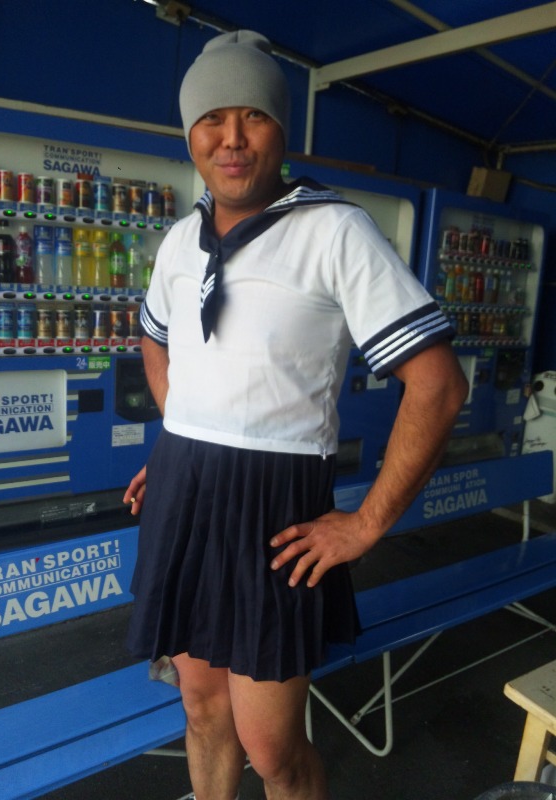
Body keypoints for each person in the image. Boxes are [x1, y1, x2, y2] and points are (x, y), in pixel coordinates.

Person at [124, 29, 468, 800]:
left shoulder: (335, 230)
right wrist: (182, 437)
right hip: (183, 494)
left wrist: (368, 523)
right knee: (201, 708)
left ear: (282, 129)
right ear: (190, 133)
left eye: (254, 116)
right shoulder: (178, 240)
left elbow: (439, 385)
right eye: (212, 118)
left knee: (273, 749)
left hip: (273, 508)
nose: (232, 138)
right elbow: (154, 340)